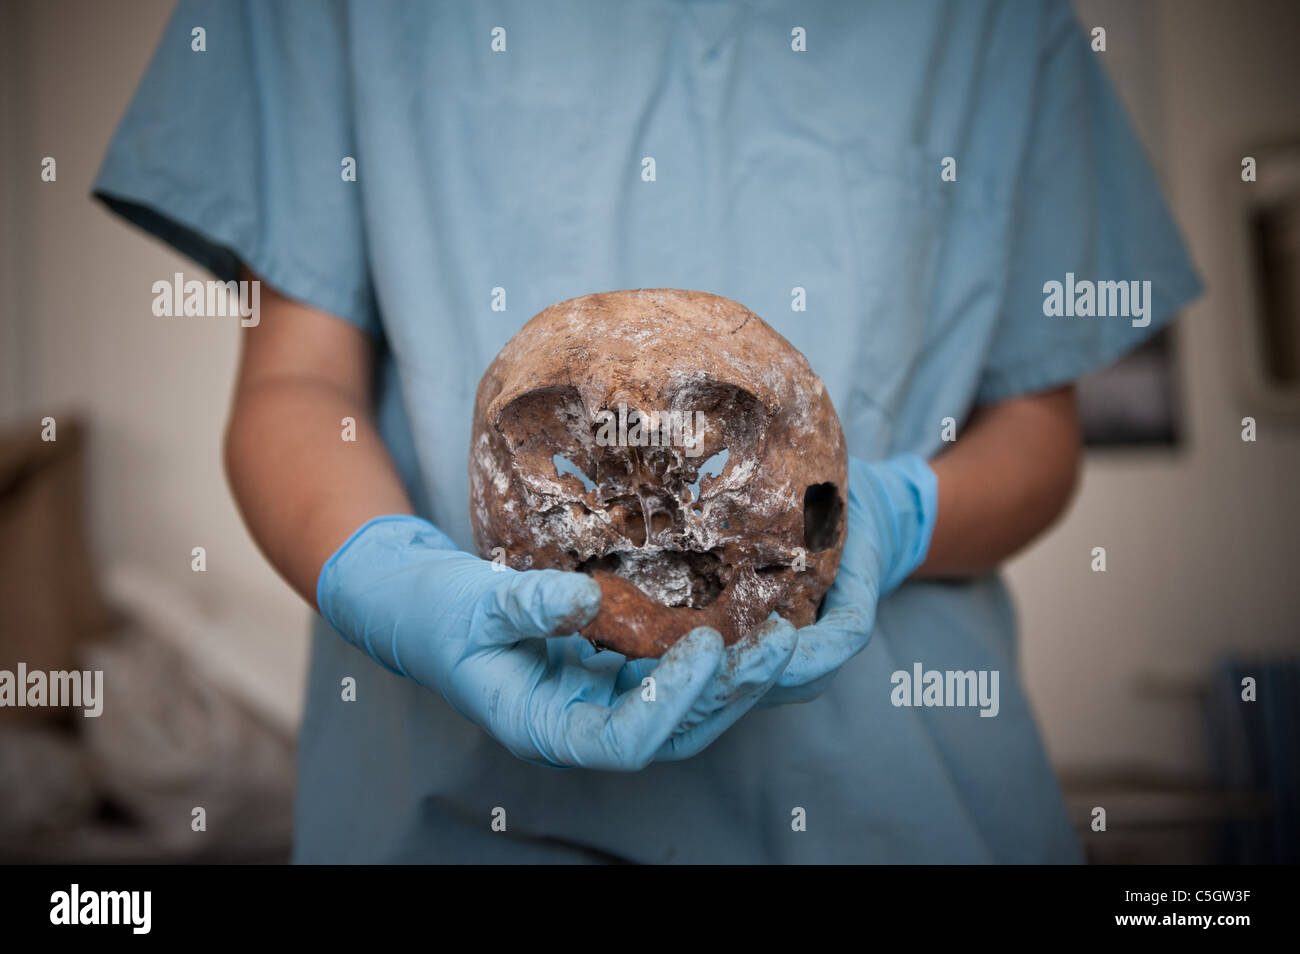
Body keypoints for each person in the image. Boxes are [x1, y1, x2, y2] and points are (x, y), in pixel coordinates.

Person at [95, 0, 1201, 863]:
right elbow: (296, 384)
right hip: (452, 810)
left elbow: (1036, 432)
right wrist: (385, 582)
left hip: (901, 809)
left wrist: (901, 516)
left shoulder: (993, 20)